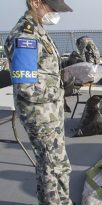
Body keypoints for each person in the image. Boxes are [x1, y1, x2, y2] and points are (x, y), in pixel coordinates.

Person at [4, 0, 73, 204]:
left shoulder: (36, 30)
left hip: (49, 111)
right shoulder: (25, 35)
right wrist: (58, 89)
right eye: (52, 7)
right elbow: (26, 88)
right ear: (35, 2)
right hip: (40, 114)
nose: (55, 12)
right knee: (52, 166)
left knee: (56, 163)